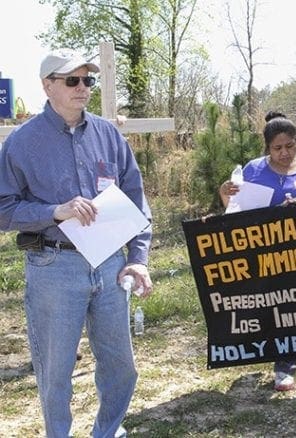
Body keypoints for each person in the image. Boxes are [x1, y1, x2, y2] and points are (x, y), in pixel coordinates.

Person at [0, 49, 154, 437]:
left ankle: (107, 431)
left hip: (109, 263)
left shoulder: (108, 134)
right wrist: (56, 211)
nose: (83, 88)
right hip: (54, 266)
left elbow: (136, 200)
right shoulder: (21, 143)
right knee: (56, 372)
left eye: (88, 80)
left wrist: (138, 258)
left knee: (121, 366)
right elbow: (3, 210)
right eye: (73, 80)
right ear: (47, 85)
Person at [219, 111, 296, 391]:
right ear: (267, 148)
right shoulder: (254, 169)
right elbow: (235, 209)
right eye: (277, 148)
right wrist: (225, 193)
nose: (284, 153)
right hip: (266, 254)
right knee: (272, 305)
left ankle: (287, 364)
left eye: (289, 146)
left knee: (294, 306)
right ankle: (273, 353)